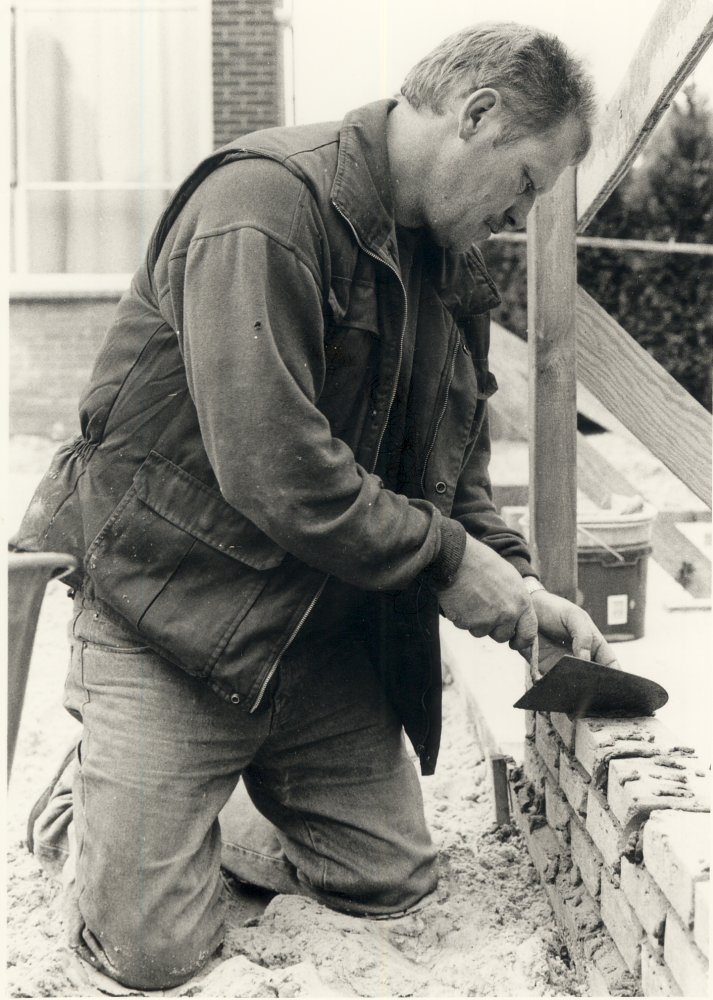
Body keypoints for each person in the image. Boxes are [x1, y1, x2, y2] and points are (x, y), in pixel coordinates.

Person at [14, 21, 617, 991]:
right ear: (477, 114)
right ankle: (105, 792)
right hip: (172, 619)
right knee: (148, 953)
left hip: (313, 637)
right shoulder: (262, 206)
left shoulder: (450, 271)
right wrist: (454, 566)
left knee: (389, 880)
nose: (519, 211)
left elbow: (452, 478)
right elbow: (274, 468)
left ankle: (192, 794)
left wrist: (524, 588)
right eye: (526, 181)